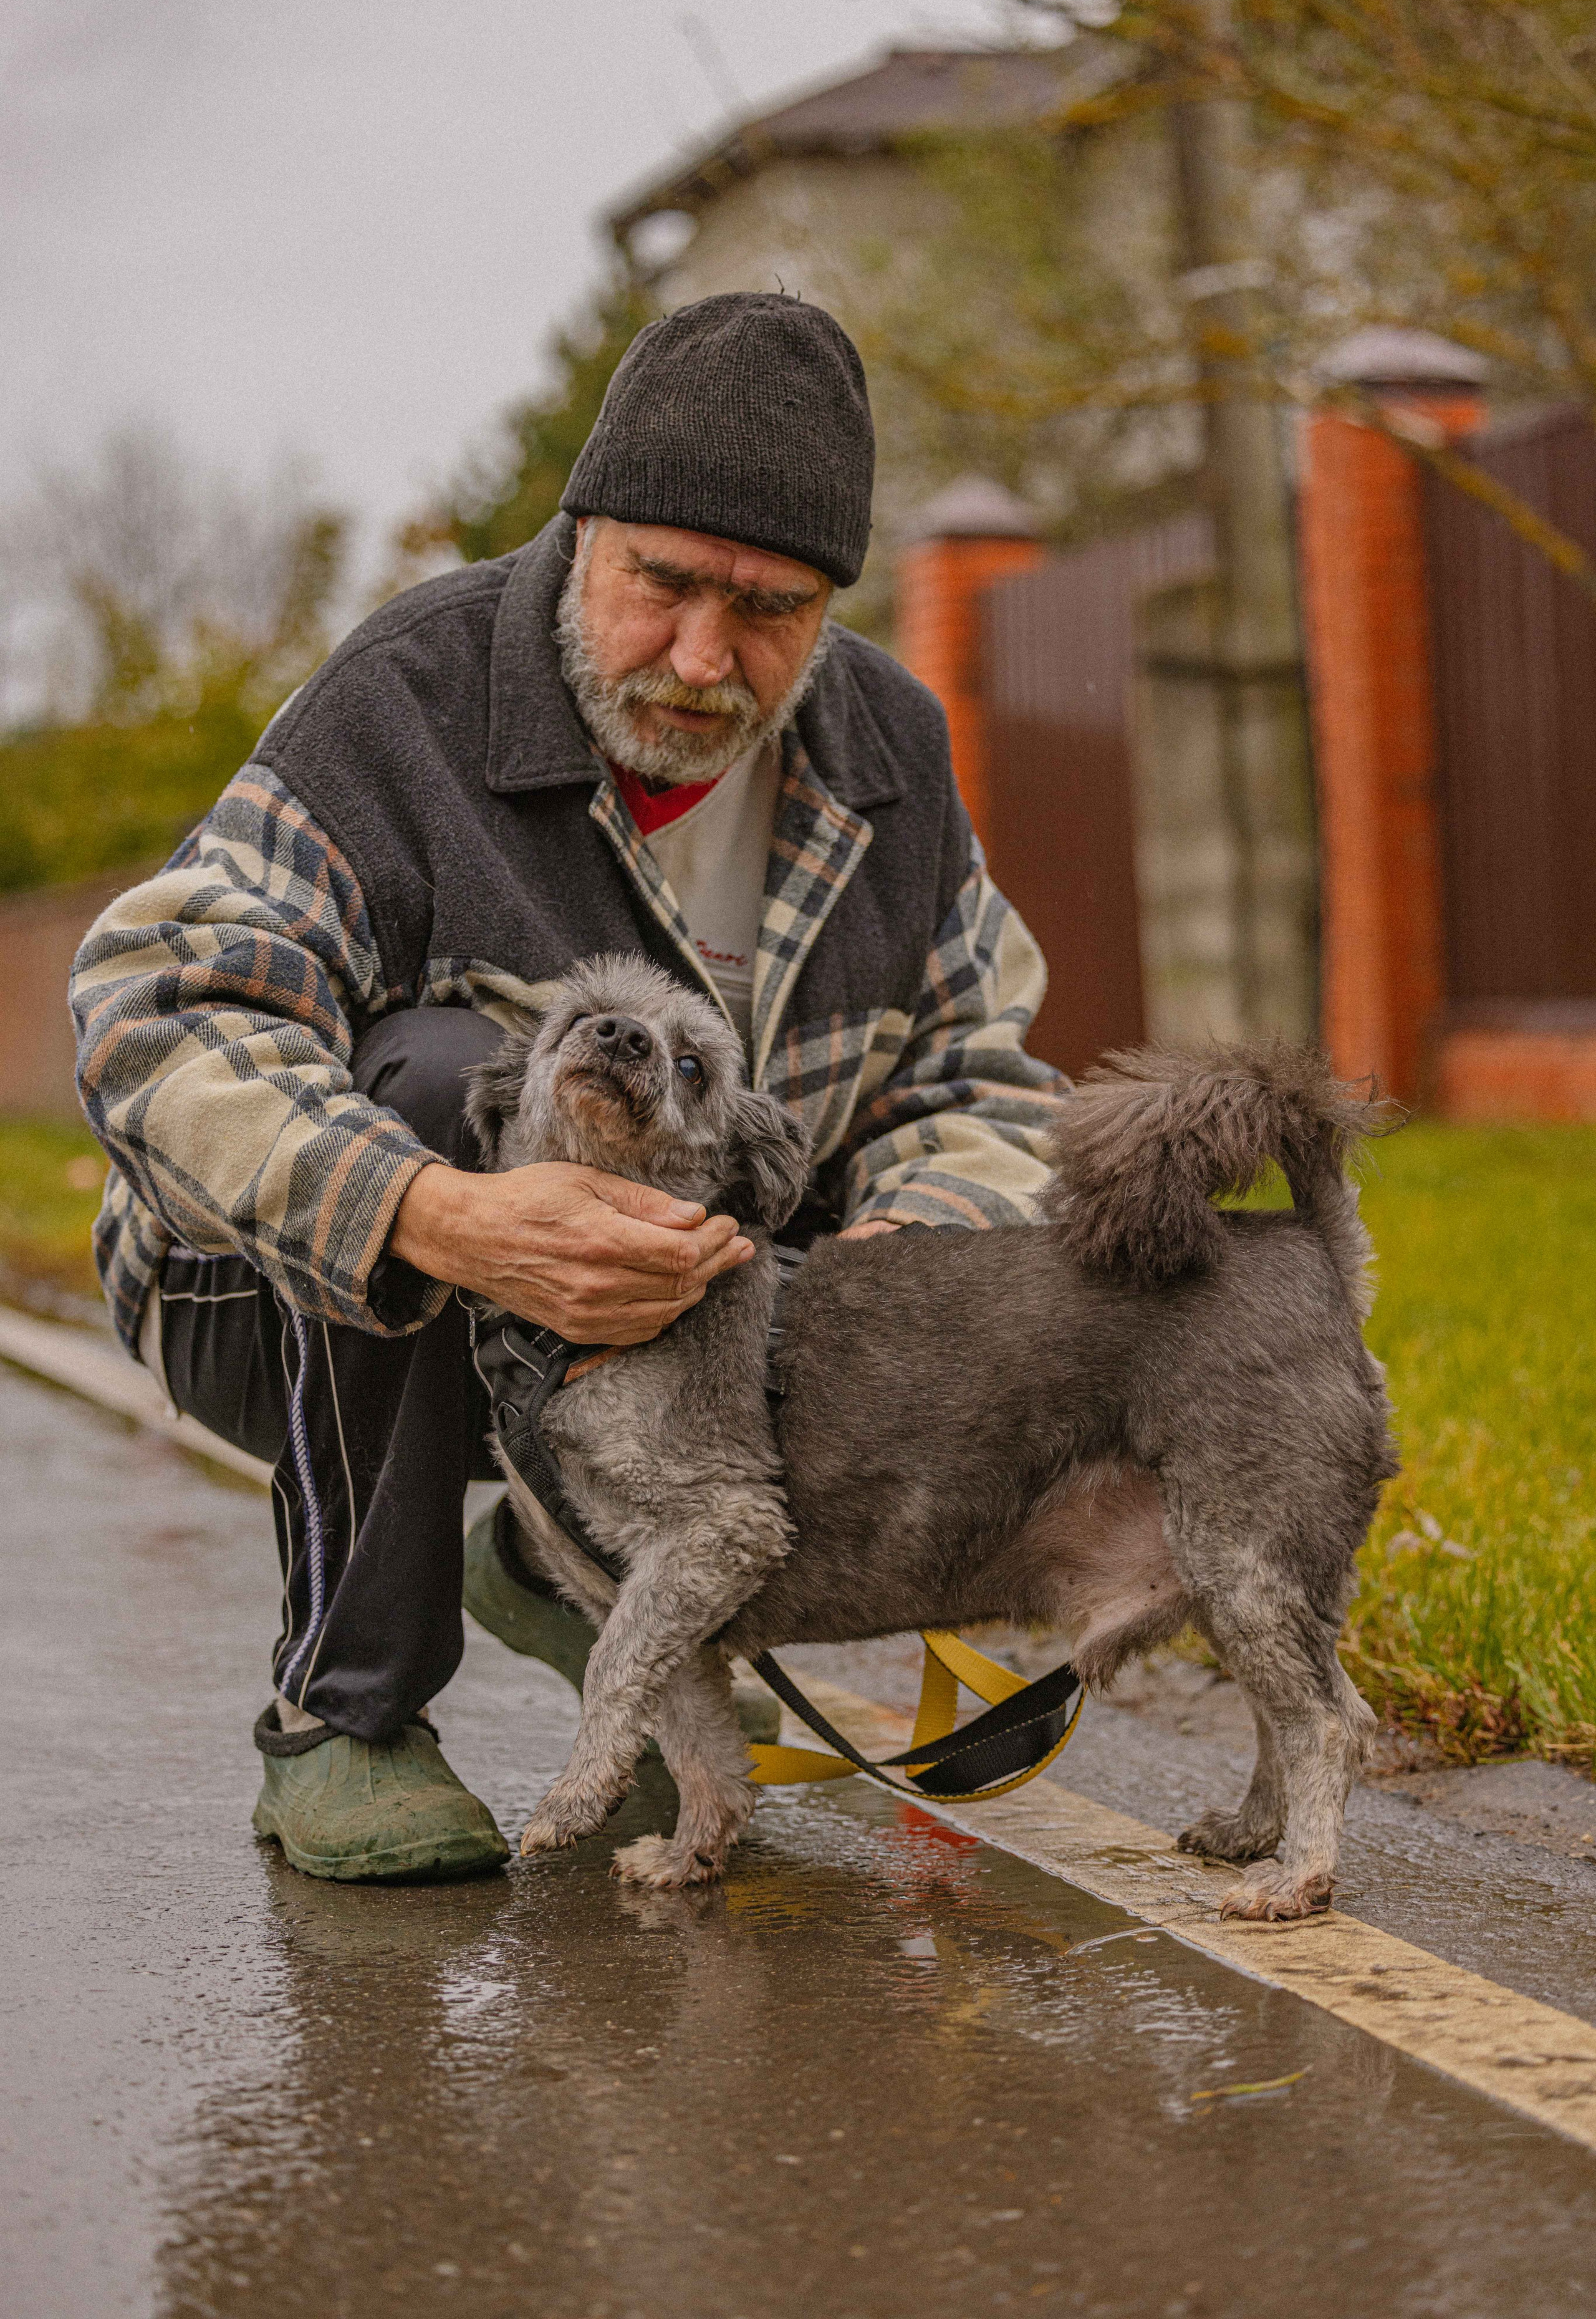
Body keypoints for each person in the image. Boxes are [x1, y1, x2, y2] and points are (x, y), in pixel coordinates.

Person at [70, 292, 1062, 1883]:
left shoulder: (887, 751)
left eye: (768, 607)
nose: (699, 655)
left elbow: (984, 1077)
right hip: (263, 1304)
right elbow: (160, 1003)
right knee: (439, 1075)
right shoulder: (409, 695)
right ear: (580, 529)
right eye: (661, 582)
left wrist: (916, 1263)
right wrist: (436, 1210)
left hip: (672, 1365)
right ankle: (348, 1711)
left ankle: (569, 1562)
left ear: (825, 608)